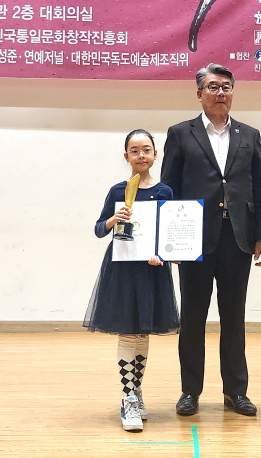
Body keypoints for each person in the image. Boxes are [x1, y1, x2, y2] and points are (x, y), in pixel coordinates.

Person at [161, 63, 261, 417]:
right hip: (193, 240)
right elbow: (168, 190)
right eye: (213, 87)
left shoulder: (249, 134)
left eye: (226, 87)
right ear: (199, 94)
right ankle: (190, 391)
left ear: (233, 92)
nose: (220, 92)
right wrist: (169, 241)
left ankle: (236, 392)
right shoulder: (181, 133)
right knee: (193, 317)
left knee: (234, 317)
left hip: (237, 238)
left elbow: (259, 189)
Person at [83, 129, 180, 432]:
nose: (141, 155)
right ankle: (128, 399)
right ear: (126, 156)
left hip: (152, 270)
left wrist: (165, 254)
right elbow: (99, 229)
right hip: (123, 270)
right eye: (135, 150)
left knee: (142, 332)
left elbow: (169, 233)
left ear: (155, 154)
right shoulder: (118, 191)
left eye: (146, 149)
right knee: (128, 331)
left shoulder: (164, 192)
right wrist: (113, 220)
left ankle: (136, 392)